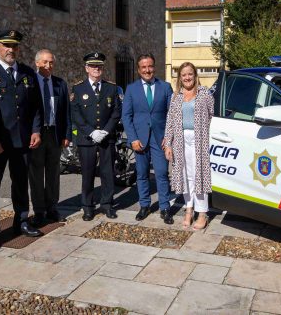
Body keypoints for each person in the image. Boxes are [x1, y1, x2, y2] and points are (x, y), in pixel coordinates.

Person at [0, 30, 43, 250]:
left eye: (15, 46)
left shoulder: (27, 73)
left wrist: (36, 130)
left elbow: (36, 106)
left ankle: (21, 221)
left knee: (21, 184)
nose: (11, 50)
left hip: (22, 140)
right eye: (6, 45)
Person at [122, 54, 174, 224]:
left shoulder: (165, 87)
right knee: (142, 174)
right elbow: (127, 116)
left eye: (150, 66)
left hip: (160, 139)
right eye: (143, 67)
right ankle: (144, 205)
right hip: (140, 139)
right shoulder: (131, 89)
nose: (147, 70)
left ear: (154, 67)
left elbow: (171, 115)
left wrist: (168, 137)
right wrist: (133, 139)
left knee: (161, 173)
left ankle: (165, 207)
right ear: (138, 70)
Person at [71, 52, 121, 221]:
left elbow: (116, 112)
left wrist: (106, 131)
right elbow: (76, 114)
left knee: (107, 173)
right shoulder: (78, 89)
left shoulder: (111, 88)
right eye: (93, 66)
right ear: (87, 68)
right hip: (87, 138)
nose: (96, 69)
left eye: (99, 66)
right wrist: (91, 132)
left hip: (107, 138)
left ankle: (107, 205)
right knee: (88, 173)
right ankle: (87, 207)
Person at [163, 62, 214, 230]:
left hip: (199, 139)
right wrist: (168, 143)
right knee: (185, 176)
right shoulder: (176, 96)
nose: (187, 77)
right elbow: (170, 120)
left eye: (190, 74)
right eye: (183, 75)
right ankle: (188, 209)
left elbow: (213, 116)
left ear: (195, 75)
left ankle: (202, 213)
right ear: (180, 78)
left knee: (198, 175)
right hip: (180, 140)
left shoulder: (204, 93)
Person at [28, 49, 72, 225]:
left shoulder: (60, 84)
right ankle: (39, 211)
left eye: (51, 62)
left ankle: (52, 207)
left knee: (53, 173)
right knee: (36, 173)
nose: (49, 65)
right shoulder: (30, 82)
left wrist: (67, 134)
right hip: (36, 134)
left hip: (54, 133)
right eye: (45, 62)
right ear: (37, 63)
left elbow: (66, 112)